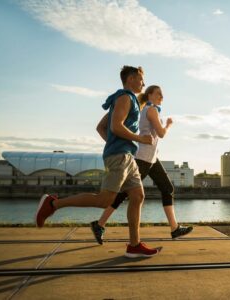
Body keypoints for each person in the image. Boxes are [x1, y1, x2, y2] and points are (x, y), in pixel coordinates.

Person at [35, 66, 160, 258]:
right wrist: (138, 138)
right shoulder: (125, 98)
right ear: (132, 78)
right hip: (119, 157)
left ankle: (134, 245)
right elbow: (115, 127)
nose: (143, 83)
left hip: (126, 156)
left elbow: (102, 127)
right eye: (142, 79)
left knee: (137, 196)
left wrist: (115, 142)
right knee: (104, 201)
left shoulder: (124, 99)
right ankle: (53, 204)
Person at [90, 85, 193, 245]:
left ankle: (174, 228)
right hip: (143, 158)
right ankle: (99, 224)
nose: (161, 97)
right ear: (150, 94)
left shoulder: (145, 109)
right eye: (159, 93)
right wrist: (168, 124)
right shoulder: (151, 110)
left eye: (162, 95)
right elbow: (161, 133)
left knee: (167, 188)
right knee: (124, 193)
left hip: (151, 159)